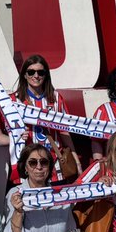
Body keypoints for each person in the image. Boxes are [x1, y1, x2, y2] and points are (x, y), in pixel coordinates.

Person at [12, 54, 81, 183]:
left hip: (55, 165)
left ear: (46, 75)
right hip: (27, 165)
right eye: (31, 72)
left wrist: (75, 159)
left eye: (40, 72)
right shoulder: (14, 100)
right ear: (24, 75)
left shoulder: (56, 98)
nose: (36, 76)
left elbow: (64, 131)